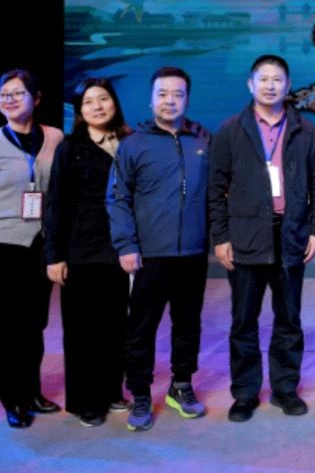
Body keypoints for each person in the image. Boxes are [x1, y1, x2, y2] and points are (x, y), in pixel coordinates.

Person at [209, 55, 315, 422]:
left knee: (289, 319)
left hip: (291, 234)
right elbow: (215, 188)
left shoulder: (305, 130)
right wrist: (221, 236)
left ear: (288, 85)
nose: (270, 85)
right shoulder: (231, 130)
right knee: (243, 320)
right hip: (246, 236)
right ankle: (245, 393)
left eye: (277, 79)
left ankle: (285, 389)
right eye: (263, 79)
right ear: (250, 85)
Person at [108, 66, 211, 432]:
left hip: (193, 254)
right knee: (141, 328)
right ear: (151, 100)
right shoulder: (133, 145)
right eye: (163, 94)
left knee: (188, 324)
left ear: (187, 99)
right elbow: (117, 198)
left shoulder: (203, 141)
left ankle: (181, 385)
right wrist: (126, 245)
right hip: (149, 255)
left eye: (178, 94)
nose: (170, 100)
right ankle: (139, 392)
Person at [0, 69, 64, 428]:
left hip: (40, 246)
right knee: (7, 328)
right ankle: (13, 398)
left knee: (34, 325)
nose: (9, 99)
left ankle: (32, 391)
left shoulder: (55, 137)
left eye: (17, 93)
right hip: (0, 247)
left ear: (36, 98)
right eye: (3, 94)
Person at [44, 77, 133, 427]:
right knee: (83, 332)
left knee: (115, 327)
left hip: (119, 250)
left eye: (103, 98)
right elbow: (56, 203)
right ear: (80, 111)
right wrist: (54, 255)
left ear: (114, 103)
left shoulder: (129, 143)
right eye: (89, 102)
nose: (98, 106)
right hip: (81, 251)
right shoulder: (71, 148)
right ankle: (86, 401)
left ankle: (111, 390)